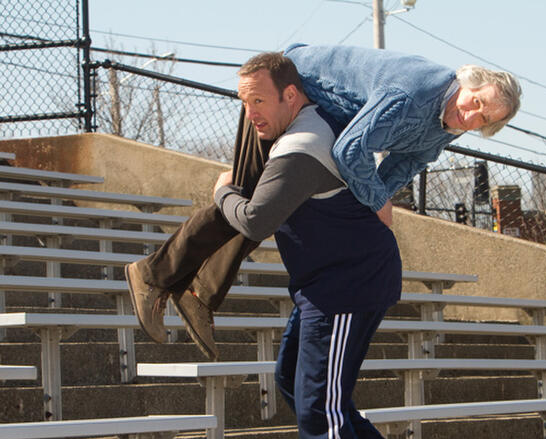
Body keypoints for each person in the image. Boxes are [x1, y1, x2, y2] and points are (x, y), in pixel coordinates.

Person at [125, 43, 521, 363]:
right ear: (465, 82)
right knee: (247, 198)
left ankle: (199, 295)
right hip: (283, 87)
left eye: (484, 120)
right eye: (475, 102)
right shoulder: (414, 93)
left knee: (261, 210)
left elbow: (411, 160)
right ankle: (151, 275)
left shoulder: (449, 122)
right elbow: (351, 151)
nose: (472, 116)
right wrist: (376, 199)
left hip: (324, 114)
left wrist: (375, 200)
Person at [212, 50, 411, 439]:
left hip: (348, 285)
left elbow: (256, 220)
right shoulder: (301, 126)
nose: (251, 112)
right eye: (244, 102)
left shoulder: (301, 146)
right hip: (324, 286)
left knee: (319, 403)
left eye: (259, 100)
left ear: (291, 95)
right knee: (291, 382)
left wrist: (222, 192)